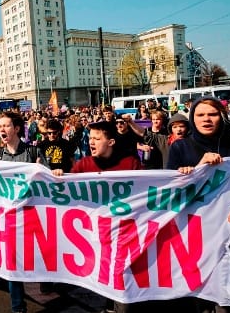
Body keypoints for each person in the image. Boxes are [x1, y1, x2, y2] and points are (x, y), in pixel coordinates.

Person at [166, 97, 230, 313]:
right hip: (193, 234)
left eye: (212, 114)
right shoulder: (180, 148)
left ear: (222, 116)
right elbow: (170, 192)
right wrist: (195, 170)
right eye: (200, 115)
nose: (206, 119)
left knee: (227, 292)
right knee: (196, 294)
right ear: (192, 119)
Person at [71, 120, 142, 313]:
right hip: (95, 236)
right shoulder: (83, 164)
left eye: (97, 138)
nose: (91, 142)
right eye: (90, 138)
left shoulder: (131, 163)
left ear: (110, 142)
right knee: (103, 280)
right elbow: (66, 194)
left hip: (124, 235)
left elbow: (149, 190)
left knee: (122, 284)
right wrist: (58, 177)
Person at [0, 111, 49, 313]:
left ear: (16, 129)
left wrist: (50, 172)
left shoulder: (33, 153)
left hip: (32, 216)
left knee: (38, 257)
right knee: (12, 264)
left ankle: (47, 281)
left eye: (6, 125)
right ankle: (18, 307)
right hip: (9, 218)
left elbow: (48, 180)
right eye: (0, 126)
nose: (2, 129)